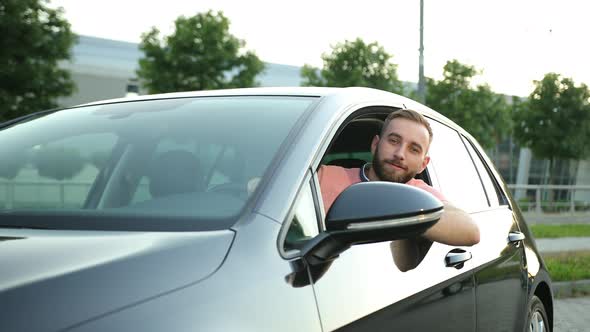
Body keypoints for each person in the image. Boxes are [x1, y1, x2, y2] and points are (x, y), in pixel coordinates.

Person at [318, 109, 480, 271]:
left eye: (414, 149)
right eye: (394, 141)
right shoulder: (321, 176)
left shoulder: (420, 194)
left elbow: (470, 231)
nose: (400, 154)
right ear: (375, 145)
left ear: (423, 164)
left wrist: (400, 211)